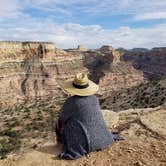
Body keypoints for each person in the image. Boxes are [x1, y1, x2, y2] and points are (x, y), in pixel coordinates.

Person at [55, 73, 122, 160]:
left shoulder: (71, 102)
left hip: (86, 144)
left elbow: (61, 118)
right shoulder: (94, 98)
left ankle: (60, 143)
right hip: (104, 139)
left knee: (64, 123)